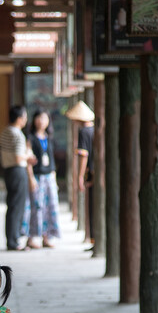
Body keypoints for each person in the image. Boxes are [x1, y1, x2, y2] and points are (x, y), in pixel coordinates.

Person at [0, 105, 37, 251]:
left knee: (12, 205)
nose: (26, 119)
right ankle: (14, 241)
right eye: (25, 116)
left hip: (8, 170)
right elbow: (18, 157)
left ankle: (12, 239)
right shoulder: (17, 134)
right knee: (17, 206)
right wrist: (29, 156)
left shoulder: (5, 131)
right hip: (17, 170)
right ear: (20, 118)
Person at [24, 109, 61, 249]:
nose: (41, 121)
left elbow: (51, 160)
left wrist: (54, 178)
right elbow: (28, 160)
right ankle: (34, 235)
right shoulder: (30, 138)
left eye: (44, 118)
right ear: (34, 120)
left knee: (51, 206)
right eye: (39, 118)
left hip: (49, 176)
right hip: (37, 176)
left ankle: (48, 235)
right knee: (36, 206)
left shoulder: (49, 138)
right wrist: (31, 178)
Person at [67, 101, 96, 245]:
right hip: (96, 173)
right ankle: (94, 239)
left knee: (92, 207)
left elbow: (83, 156)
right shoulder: (94, 129)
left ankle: (93, 239)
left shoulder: (84, 131)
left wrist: (79, 176)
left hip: (91, 174)